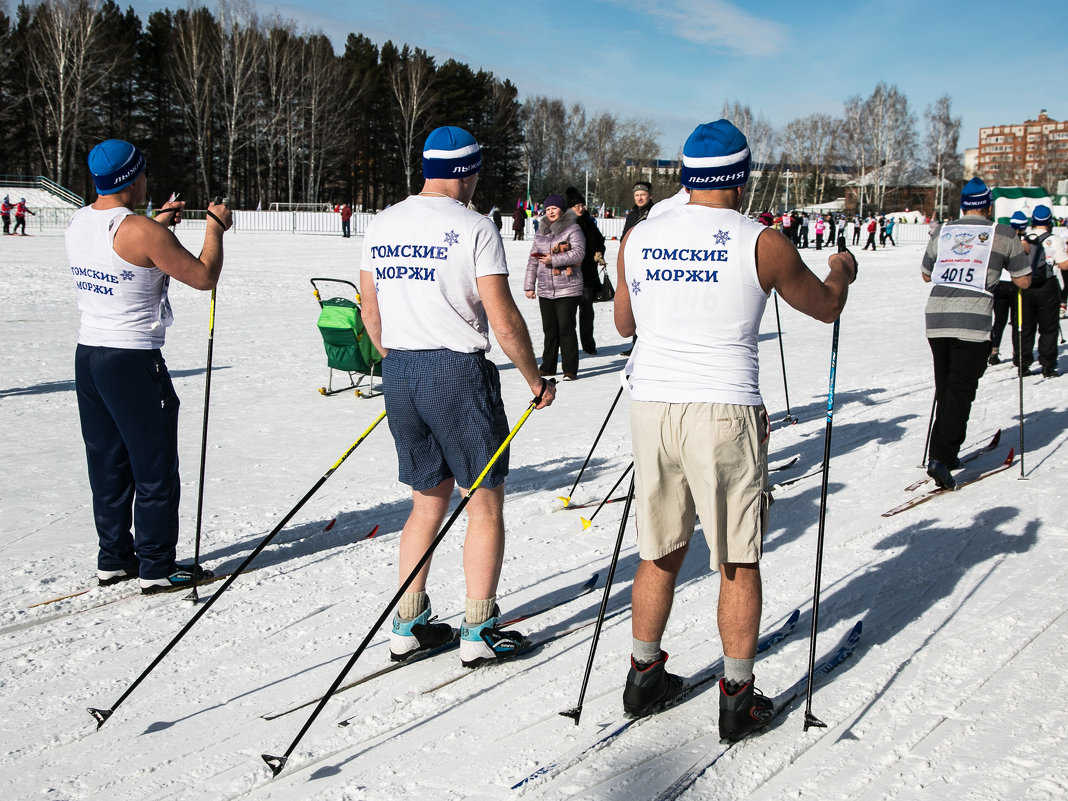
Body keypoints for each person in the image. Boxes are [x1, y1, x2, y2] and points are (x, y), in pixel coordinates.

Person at [613, 119, 857, 742]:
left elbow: (622, 322)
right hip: (723, 408)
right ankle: (738, 696)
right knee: (736, 556)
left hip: (653, 404)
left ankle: (643, 675)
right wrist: (843, 272)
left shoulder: (640, 234)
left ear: (686, 176)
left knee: (659, 548)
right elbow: (825, 307)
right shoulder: (762, 242)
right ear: (742, 177)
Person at [359, 126, 556, 668]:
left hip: (399, 368)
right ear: (467, 171)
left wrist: (398, 360)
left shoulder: (383, 223)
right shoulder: (475, 227)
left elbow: (368, 308)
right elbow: (503, 314)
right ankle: (479, 629)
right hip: (457, 372)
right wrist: (534, 379)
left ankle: (408, 625)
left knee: (426, 503)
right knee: (482, 499)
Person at [68, 139, 232, 593]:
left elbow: (125, 255)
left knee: (108, 460)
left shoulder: (81, 220)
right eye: (143, 173)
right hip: (132, 358)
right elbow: (203, 276)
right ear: (132, 178)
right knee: (154, 464)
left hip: (90, 355)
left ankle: (114, 557)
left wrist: (157, 224)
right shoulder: (141, 231)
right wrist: (214, 228)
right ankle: (157, 566)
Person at [921, 178, 1030, 489]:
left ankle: (948, 450)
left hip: (938, 316)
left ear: (963, 205)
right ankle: (940, 457)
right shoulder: (1004, 233)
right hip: (972, 320)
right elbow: (1023, 281)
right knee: (960, 390)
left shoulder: (944, 231)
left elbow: (926, 273)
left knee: (947, 387)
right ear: (988, 205)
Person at [524, 194, 585, 380]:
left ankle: (570, 369)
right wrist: (529, 285)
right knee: (549, 329)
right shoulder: (540, 232)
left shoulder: (572, 229)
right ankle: (548, 366)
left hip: (568, 287)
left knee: (566, 328)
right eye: (548, 209)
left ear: (562, 210)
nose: (551, 212)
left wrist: (554, 259)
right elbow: (533, 261)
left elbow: (579, 254)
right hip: (545, 288)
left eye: (554, 208)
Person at [1018, 205, 1067, 377]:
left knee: (1026, 326)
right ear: (1049, 221)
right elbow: (1063, 265)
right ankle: (1048, 364)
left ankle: (1023, 363)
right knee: (1048, 327)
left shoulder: (1025, 238)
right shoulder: (1055, 240)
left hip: (1026, 284)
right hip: (1047, 285)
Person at [566, 186, 606, 356]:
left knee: (587, 310)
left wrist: (599, 253)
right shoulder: (565, 224)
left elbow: (599, 242)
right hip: (569, 275)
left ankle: (588, 344)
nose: (580, 209)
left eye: (582, 205)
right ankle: (569, 345)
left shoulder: (590, 224)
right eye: (576, 206)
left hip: (588, 273)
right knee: (567, 313)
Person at [989, 210, 1029, 366]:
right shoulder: (1023, 242)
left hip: (1000, 284)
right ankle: (1017, 353)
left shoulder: (1003, 238)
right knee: (1016, 321)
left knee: (999, 320)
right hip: (1015, 283)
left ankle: (993, 351)